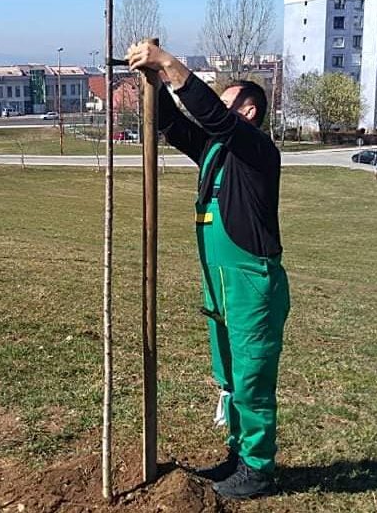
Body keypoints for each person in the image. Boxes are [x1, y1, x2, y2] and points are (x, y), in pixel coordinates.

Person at [127, 43, 291, 500]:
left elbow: (214, 117)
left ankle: (258, 468)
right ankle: (238, 454)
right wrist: (154, 87)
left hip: (250, 285)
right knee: (231, 376)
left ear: (249, 110)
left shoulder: (257, 152)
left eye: (227, 102)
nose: (217, 109)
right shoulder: (216, 152)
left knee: (252, 377)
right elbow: (172, 124)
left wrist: (170, 65)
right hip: (219, 287)